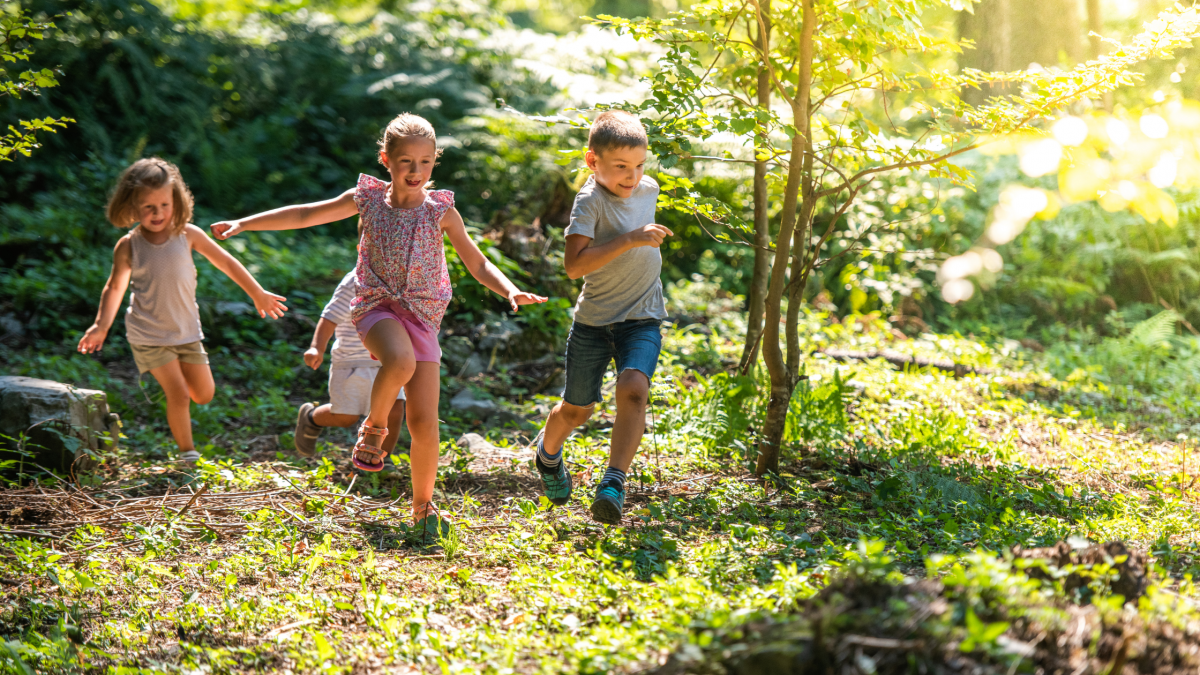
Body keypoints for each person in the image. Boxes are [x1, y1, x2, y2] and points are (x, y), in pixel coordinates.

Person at [209, 113, 546, 536]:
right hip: (376, 307)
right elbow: (303, 215)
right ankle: (374, 428)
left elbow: (476, 262)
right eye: (406, 161)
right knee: (399, 362)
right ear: (386, 160)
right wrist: (245, 222)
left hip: (423, 315)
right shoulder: (366, 199)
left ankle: (423, 508)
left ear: (434, 163)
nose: (416, 171)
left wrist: (509, 289)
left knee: (425, 422)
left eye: (425, 162)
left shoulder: (442, 211)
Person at [78, 157, 288, 463]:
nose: (158, 213)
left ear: (175, 200)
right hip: (148, 334)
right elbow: (114, 287)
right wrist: (101, 326)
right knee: (178, 394)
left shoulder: (189, 235)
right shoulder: (128, 246)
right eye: (148, 207)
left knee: (203, 394)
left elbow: (226, 262)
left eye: (164, 204)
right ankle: (187, 453)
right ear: (132, 206)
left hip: (186, 332)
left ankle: (178, 394)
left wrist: (256, 292)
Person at [531, 110, 673, 525]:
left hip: (643, 316)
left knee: (633, 389)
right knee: (577, 410)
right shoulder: (589, 202)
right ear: (593, 162)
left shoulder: (649, 190)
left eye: (639, 166)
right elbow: (574, 266)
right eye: (621, 167)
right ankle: (548, 454)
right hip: (594, 324)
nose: (632, 177)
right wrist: (630, 239)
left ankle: (613, 481)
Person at [294, 269, 406, 458]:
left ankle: (382, 457)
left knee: (394, 410)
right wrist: (316, 347)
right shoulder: (355, 280)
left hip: (387, 361)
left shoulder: (403, 277)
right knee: (346, 417)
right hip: (351, 361)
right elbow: (330, 315)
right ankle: (311, 418)